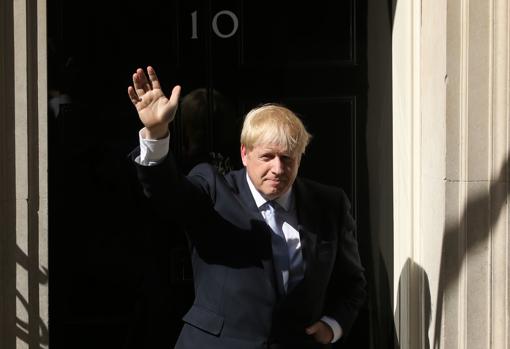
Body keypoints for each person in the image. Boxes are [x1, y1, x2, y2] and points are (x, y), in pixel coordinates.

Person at [127, 66, 367, 349]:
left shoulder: (329, 204)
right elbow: (167, 194)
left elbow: (352, 283)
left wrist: (333, 326)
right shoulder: (214, 189)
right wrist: (156, 133)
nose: (278, 168)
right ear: (244, 153)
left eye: (288, 158)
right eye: (267, 157)